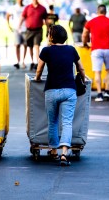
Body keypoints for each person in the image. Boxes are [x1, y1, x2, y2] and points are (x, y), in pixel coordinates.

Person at [35, 25, 85, 166]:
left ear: (51, 36)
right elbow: (80, 67)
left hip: (51, 90)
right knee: (67, 122)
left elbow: (39, 69)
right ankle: (64, 153)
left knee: (53, 122)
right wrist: (83, 78)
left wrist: (38, 78)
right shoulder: (71, 50)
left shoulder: (46, 51)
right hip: (69, 90)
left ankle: (53, 151)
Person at [82, 4, 109, 102]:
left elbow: (84, 34)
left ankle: (99, 94)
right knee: (108, 71)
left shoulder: (91, 22)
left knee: (97, 72)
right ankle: (107, 91)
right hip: (108, 49)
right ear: (105, 12)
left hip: (96, 50)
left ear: (97, 12)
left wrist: (85, 43)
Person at [19, 0, 47, 71]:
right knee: (30, 46)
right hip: (29, 30)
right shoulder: (27, 8)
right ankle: (32, 62)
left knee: (37, 45)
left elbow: (46, 19)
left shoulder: (42, 8)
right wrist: (19, 26)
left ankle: (37, 62)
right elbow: (22, 17)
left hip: (38, 30)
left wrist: (48, 28)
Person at [6, 0, 28, 69]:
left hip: (25, 28)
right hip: (16, 28)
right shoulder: (13, 8)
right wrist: (8, 25)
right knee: (17, 45)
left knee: (25, 45)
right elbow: (8, 15)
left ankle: (23, 61)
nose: (20, 0)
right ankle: (18, 61)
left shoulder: (25, 7)